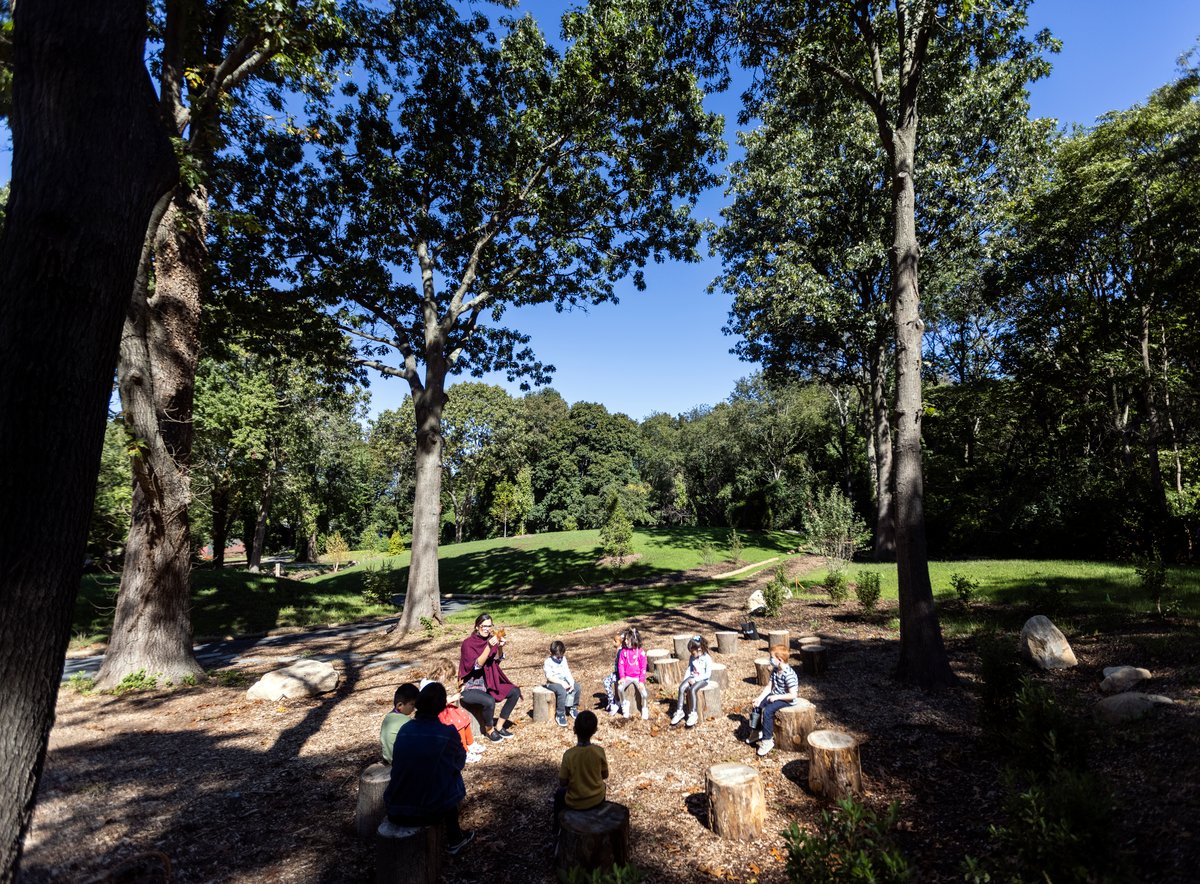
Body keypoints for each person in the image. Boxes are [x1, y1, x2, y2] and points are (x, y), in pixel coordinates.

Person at [383, 682, 475, 855]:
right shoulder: (447, 732)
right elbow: (459, 763)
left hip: (394, 808)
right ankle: (455, 838)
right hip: (427, 811)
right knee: (452, 777)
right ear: (442, 707)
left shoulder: (405, 728)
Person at [459, 613, 522, 741]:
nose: (487, 629)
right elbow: (477, 666)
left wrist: (499, 648)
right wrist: (488, 646)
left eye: (489, 626)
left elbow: (496, 661)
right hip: (470, 687)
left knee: (515, 691)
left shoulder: (491, 639)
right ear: (477, 627)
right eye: (483, 626)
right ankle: (489, 729)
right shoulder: (468, 644)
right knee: (489, 701)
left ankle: (499, 726)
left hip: (489, 683)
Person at [553, 710, 608, 834]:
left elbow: (562, 782)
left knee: (559, 793)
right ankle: (600, 815)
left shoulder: (569, 755)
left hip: (575, 802)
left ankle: (557, 828)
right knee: (603, 786)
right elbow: (605, 775)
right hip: (597, 799)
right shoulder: (599, 751)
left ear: (574, 730)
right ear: (595, 730)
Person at [747, 645, 800, 756]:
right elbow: (769, 687)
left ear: (779, 660)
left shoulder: (789, 675)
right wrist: (759, 698)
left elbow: (793, 695)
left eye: (771, 657)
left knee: (768, 711)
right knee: (757, 706)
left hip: (786, 700)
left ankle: (767, 740)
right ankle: (756, 731)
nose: (770, 659)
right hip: (775, 695)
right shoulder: (776, 670)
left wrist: (777, 697)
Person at [670, 635, 712, 728]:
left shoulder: (707, 658)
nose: (692, 655)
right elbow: (690, 668)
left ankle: (693, 713)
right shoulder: (692, 657)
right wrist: (686, 679)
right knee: (681, 688)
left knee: (692, 690)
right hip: (693, 677)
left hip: (703, 680)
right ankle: (680, 711)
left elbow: (707, 674)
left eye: (693, 653)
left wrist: (696, 679)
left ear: (700, 649)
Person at [543, 640, 582, 727]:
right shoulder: (548, 662)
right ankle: (560, 714)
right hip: (552, 682)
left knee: (577, 687)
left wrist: (571, 682)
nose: (560, 659)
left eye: (561, 656)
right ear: (552, 653)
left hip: (564, 680)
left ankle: (573, 707)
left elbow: (567, 672)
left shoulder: (563, 659)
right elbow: (549, 677)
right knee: (561, 691)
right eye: (558, 657)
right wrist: (562, 683)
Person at [380, 682, 420, 764]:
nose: (414, 708)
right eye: (412, 704)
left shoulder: (388, 717)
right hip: (401, 763)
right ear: (400, 705)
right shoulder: (406, 722)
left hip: (388, 758)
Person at [615, 628, 649, 720]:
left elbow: (643, 668)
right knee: (620, 688)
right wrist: (622, 677)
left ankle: (644, 708)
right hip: (627, 677)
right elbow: (620, 665)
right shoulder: (623, 652)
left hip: (638, 678)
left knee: (644, 694)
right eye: (625, 639)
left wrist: (641, 681)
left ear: (633, 640)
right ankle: (624, 705)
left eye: (627, 639)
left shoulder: (641, 652)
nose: (625, 641)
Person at [603, 629, 626, 715]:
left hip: (620, 675)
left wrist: (620, 676)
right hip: (618, 673)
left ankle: (611, 701)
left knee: (606, 681)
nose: (613, 642)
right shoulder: (619, 651)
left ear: (620, 642)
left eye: (615, 641)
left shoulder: (621, 652)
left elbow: (622, 666)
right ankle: (612, 700)